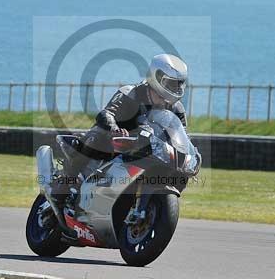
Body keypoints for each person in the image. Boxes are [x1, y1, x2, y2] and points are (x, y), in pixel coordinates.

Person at [54, 53, 189, 208]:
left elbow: (182, 136)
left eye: (179, 84)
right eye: (171, 83)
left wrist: (187, 153)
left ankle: (155, 201)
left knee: (181, 168)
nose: (176, 88)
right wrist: (114, 129)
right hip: (115, 143)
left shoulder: (176, 108)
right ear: (157, 77)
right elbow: (107, 113)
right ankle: (65, 184)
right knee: (96, 136)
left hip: (148, 150)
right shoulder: (130, 93)